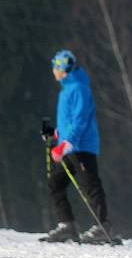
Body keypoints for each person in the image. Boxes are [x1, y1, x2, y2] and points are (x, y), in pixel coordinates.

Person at [39, 49, 120, 245]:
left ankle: (102, 227)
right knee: (55, 184)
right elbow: (69, 122)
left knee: (91, 185)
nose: (53, 71)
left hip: (81, 146)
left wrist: (67, 143)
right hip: (69, 147)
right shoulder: (67, 89)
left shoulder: (79, 88)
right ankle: (67, 226)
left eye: (55, 67)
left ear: (62, 68)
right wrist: (56, 134)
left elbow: (80, 120)